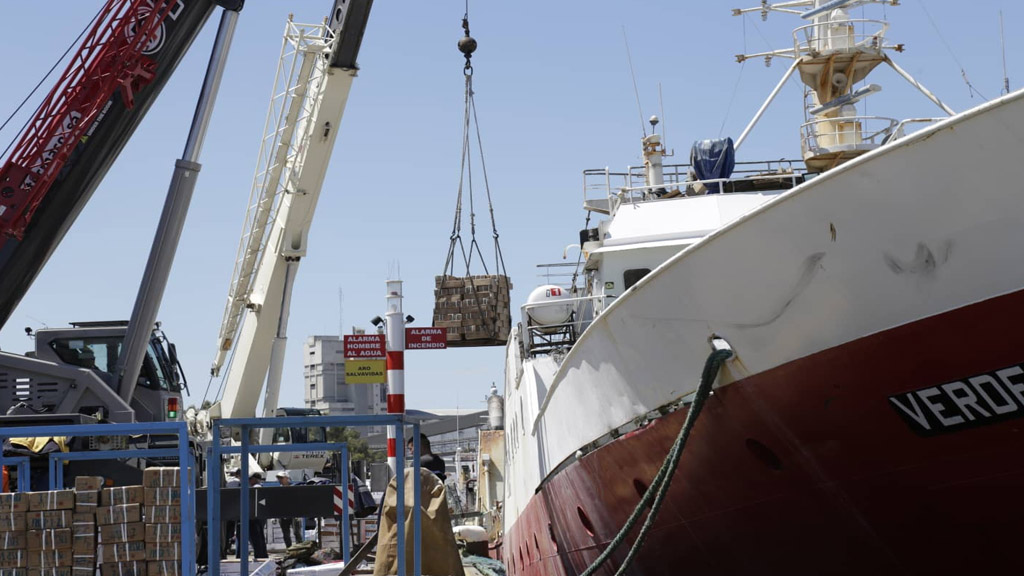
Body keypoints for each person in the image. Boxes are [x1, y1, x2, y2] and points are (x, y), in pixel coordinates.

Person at [237, 470, 268, 560]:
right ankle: (262, 555)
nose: (249, 481)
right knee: (258, 537)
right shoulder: (256, 487)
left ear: (255, 479)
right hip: (256, 517)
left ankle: (260, 555)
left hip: (253, 517)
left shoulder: (256, 487)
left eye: (250, 479)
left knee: (255, 538)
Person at [275, 471, 303, 548]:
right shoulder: (278, 490)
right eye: (278, 478)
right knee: (285, 534)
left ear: (287, 478)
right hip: (283, 514)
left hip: (294, 513)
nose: (279, 480)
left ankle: (300, 548)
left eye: (281, 478)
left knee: (296, 532)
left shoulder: (294, 488)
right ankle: (289, 549)